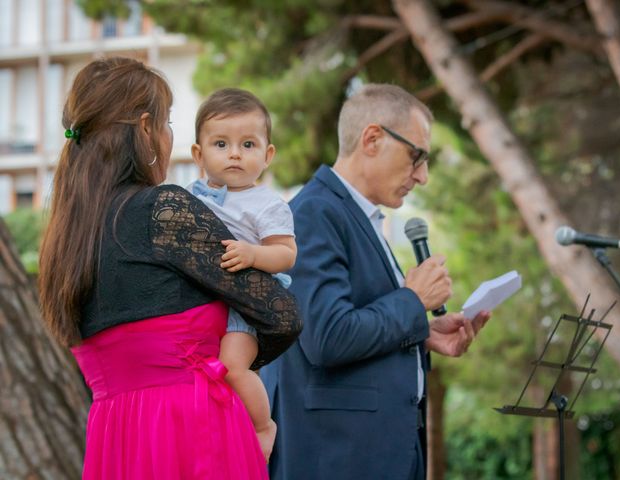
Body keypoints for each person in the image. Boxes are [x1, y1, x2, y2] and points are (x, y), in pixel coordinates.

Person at [38, 57, 302, 480]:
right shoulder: (163, 211)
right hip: (192, 427)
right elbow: (280, 312)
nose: (167, 136)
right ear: (145, 129)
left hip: (114, 434)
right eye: (166, 124)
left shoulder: (65, 241)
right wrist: (231, 361)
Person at [260, 83, 491, 480]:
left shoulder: (356, 218)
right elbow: (327, 337)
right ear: (372, 138)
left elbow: (360, 322)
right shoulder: (315, 213)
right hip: (338, 457)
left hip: (376, 453)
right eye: (416, 156)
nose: (423, 176)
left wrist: (423, 331)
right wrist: (412, 300)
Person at [186, 87, 296, 462]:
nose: (234, 153)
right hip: (206, 298)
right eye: (221, 143)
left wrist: (253, 254)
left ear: (267, 155)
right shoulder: (190, 196)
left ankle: (263, 425)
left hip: (248, 302)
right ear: (199, 155)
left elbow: (286, 254)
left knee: (233, 367)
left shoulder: (266, 204)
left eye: (248, 144)